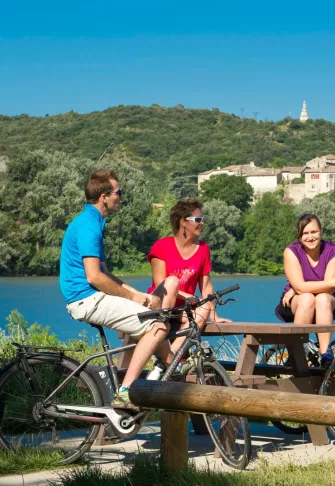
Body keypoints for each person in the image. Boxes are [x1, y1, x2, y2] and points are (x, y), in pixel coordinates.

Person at [60, 169, 179, 408]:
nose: (121, 197)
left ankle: (170, 363)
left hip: (90, 296)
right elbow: (94, 277)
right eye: (119, 192)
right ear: (104, 196)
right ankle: (126, 391)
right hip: (87, 298)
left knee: (152, 319)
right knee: (157, 326)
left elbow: (105, 274)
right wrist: (133, 296)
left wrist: (139, 296)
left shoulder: (93, 221)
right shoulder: (88, 226)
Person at [147, 198, 230, 355]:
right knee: (172, 288)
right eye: (198, 220)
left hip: (182, 310)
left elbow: (206, 286)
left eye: (202, 219)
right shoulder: (161, 246)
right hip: (160, 306)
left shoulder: (203, 249)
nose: (202, 223)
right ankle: (167, 356)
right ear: (183, 222)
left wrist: (213, 314)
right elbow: (161, 284)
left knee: (204, 308)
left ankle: (171, 355)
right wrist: (190, 297)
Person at [275, 213, 335, 365]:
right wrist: (297, 289)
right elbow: (328, 284)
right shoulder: (291, 251)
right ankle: (296, 352)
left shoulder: (333, 251)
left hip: (327, 301)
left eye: (313, 232)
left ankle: (326, 353)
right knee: (307, 298)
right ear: (299, 236)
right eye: (305, 233)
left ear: (321, 231)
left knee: (322, 298)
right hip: (295, 303)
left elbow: (328, 290)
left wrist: (299, 287)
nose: (310, 237)